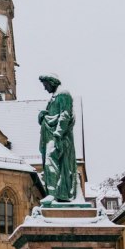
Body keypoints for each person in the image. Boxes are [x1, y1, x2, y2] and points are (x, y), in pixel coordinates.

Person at [37, 73, 78, 204]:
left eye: (45, 85)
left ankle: (54, 194)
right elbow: (52, 116)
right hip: (51, 137)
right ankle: (54, 193)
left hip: (59, 138)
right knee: (49, 163)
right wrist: (42, 115)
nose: (45, 88)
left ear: (52, 82)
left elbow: (65, 116)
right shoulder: (53, 98)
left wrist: (58, 134)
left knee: (51, 163)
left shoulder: (63, 95)